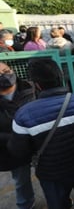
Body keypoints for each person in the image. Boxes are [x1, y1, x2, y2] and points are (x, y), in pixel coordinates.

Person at [7, 59, 74, 209]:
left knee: (57, 204)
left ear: (37, 84)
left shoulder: (24, 115)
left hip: (50, 173)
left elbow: (19, 152)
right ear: (61, 77)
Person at [0, 62, 36, 209]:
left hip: (38, 143)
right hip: (12, 150)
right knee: (21, 180)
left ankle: (59, 200)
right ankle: (25, 204)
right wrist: (16, 137)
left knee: (50, 175)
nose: (4, 76)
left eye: (6, 71)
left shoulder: (30, 87)